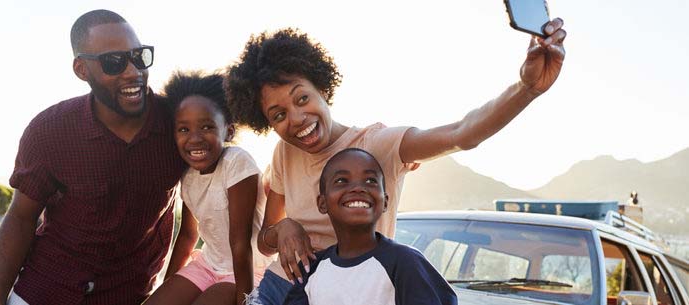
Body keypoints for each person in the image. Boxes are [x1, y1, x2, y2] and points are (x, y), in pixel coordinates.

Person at [225, 19, 566, 305]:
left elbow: (463, 133)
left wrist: (527, 89)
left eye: (302, 98)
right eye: (279, 114)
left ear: (323, 90)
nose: (296, 118)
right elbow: (264, 239)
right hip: (282, 287)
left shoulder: (377, 145)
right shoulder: (285, 152)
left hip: (352, 292)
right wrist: (285, 227)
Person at [0, 10, 186, 305]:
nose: (133, 71)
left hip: (129, 296)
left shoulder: (179, 124)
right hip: (44, 292)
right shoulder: (49, 130)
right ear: (81, 69)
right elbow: (21, 217)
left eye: (139, 56)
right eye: (114, 62)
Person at [144, 71, 274, 305]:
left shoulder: (236, 162)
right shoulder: (187, 173)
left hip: (247, 269)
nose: (195, 138)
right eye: (184, 129)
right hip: (208, 264)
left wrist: (246, 300)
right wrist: (169, 286)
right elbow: (187, 235)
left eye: (206, 127)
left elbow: (240, 242)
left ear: (228, 131)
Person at [282, 148, 458, 305]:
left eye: (370, 181)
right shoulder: (312, 268)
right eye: (342, 180)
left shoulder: (405, 262)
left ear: (385, 201)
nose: (358, 188)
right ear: (322, 203)